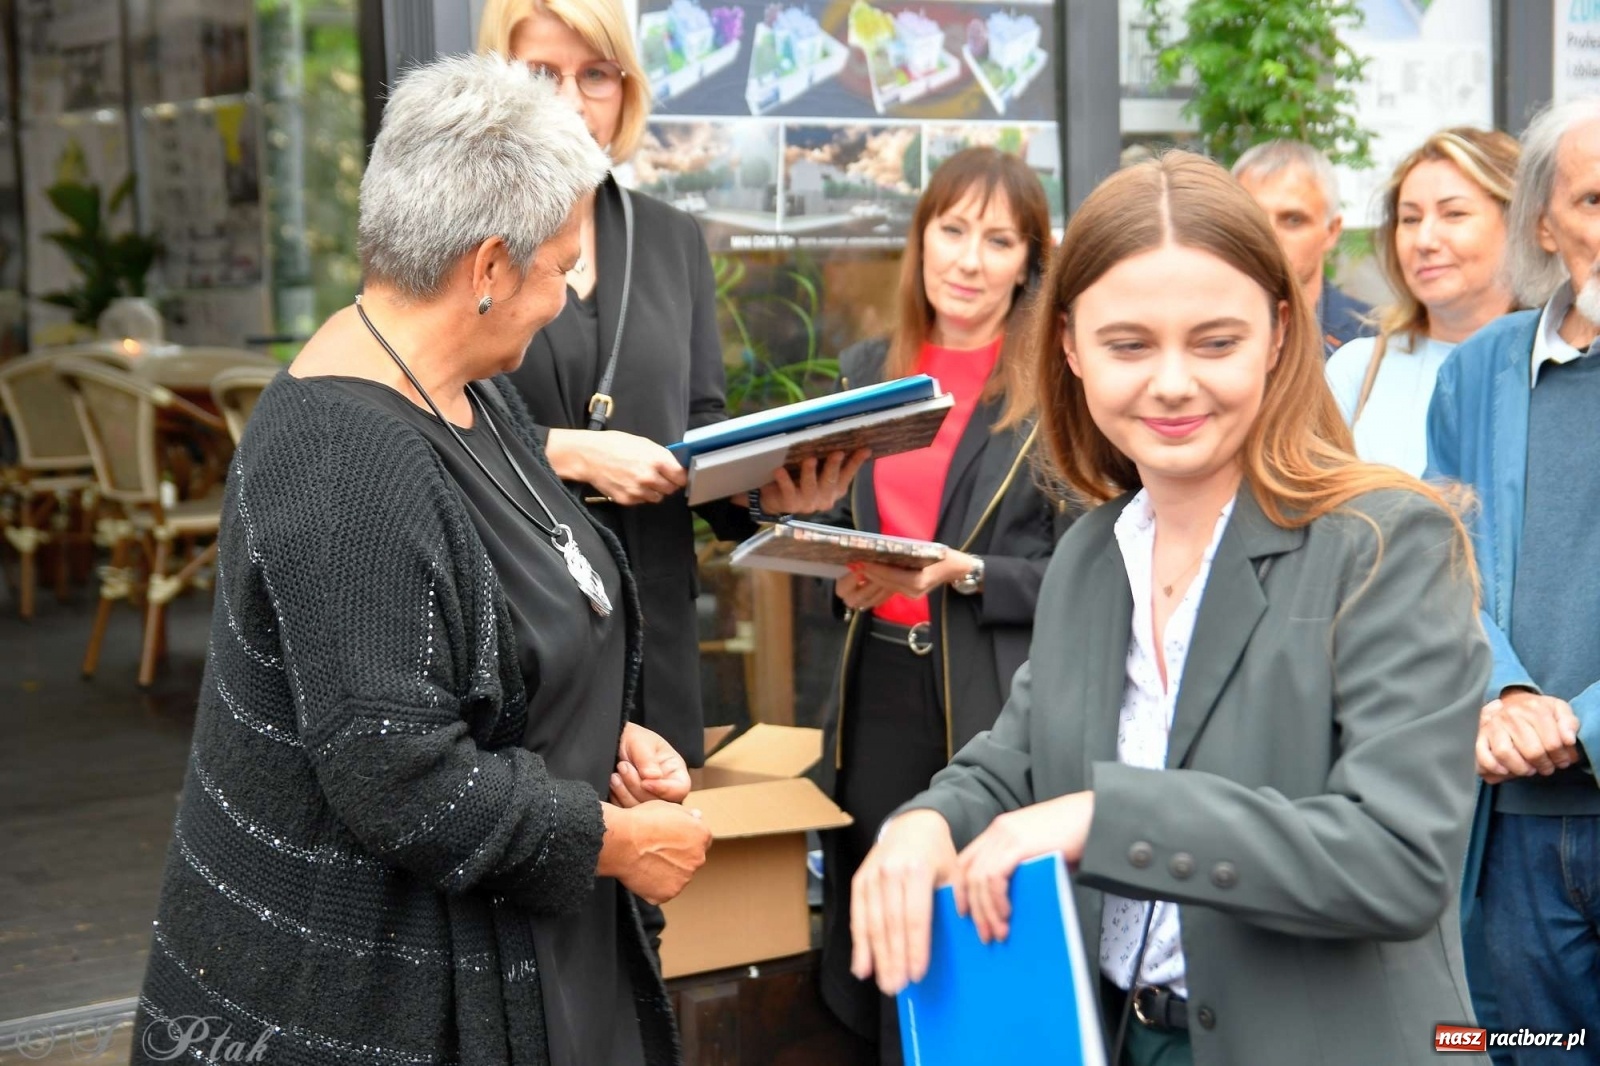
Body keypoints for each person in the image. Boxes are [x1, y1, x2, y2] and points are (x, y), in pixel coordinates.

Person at [132, 55, 712, 1066]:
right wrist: (615, 843)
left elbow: (493, 632)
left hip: (527, 952)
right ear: (488, 268)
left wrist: (595, 731)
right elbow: (403, 783)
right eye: (560, 266)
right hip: (369, 1001)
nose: (570, 294)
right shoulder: (339, 463)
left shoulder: (467, 389)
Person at [850, 151, 1490, 1066]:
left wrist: (1101, 820)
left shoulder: (1387, 546)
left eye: (1216, 342)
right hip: (1123, 1036)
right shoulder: (1091, 555)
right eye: (1130, 345)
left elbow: (1397, 860)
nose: (1175, 382)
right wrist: (924, 824)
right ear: (1069, 347)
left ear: (1279, 332)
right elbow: (1015, 762)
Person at [477, 0, 861, 773]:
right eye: (540, 74)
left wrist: (764, 494)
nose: (571, 102)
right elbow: (421, 413)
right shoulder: (460, 233)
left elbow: (699, 418)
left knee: (657, 864)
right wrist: (568, 452)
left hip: (653, 612)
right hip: (518, 617)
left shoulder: (668, 236)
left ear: (626, 92)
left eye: (596, 76)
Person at [817, 147, 1069, 1066]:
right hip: (875, 693)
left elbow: (1086, 569)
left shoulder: (1055, 388)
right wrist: (842, 568)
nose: (967, 259)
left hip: (992, 701)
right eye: (951, 230)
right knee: (888, 931)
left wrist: (969, 573)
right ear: (921, 240)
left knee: (977, 932)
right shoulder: (864, 372)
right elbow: (853, 520)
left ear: (1028, 262)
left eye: (996, 240)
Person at [1426, 99, 1600, 1064]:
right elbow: (1440, 567)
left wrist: (1582, 723)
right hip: (1512, 839)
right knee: (1515, 1051)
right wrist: (1508, 692)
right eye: (1596, 200)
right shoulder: (1479, 372)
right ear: (1545, 225)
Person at [1324, 128, 1520, 476]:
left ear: (1518, 223)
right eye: (1410, 219)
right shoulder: (1358, 369)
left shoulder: (1561, 368)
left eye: (1454, 214)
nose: (1425, 240)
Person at [1232, 139, 1373, 354]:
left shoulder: (1373, 339)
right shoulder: (1194, 325)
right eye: (1254, 218)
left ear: (1332, 231)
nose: (1270, 236)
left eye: (1293, 220)